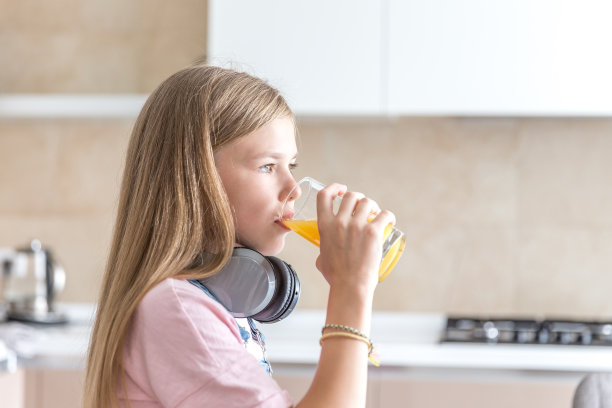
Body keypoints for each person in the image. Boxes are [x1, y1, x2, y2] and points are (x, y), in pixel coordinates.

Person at [83, 64, 396, 408]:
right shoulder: (178, 309)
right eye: (267, 166)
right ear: (198, 180)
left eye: (290, 166)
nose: (293, 189)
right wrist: (352, 290)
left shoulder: (210, 300)